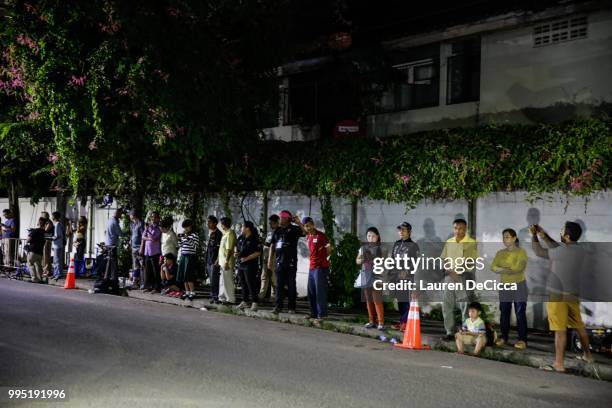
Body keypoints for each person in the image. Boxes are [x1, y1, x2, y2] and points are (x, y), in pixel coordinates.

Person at [530, 222, 593, 372]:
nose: (560, 232)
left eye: (562, 231)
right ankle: (588, 355)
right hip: (572, 295)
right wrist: (543, 235)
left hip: (557, 296)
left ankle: (558, 364)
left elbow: (539, 252)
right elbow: (557, 247)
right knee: (579, 325)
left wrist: (533, 235)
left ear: (567, 236)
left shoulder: (563, 251)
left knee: (560, 330)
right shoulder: (579, 250)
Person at [441, 218, 479, 340]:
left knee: (465, 307)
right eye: (456, 228)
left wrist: (457, 272)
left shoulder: (471, 242)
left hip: (464, 277)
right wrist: (450, 271)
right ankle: (449, 332)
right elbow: (444, 259)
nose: (458, 231)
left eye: (461, 228)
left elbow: (470, 261)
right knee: (447, 305)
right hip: (449, 277)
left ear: (465, 229)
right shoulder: (449, 242)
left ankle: (465, 333)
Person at [491, 228, 528, 349]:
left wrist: (502, 269)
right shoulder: (500, 253)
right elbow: (493, 267)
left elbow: (518, 268)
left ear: (514, 238)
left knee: (520, 313)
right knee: (504, 313)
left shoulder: (521, 252)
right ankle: (504, 337)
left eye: (507, 237)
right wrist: (507, 269)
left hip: (519, 285)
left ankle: (522, 340)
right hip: (505, 286)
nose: (505, 239)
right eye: (503, 237)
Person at [268, 210, 305, 314]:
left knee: (291, 285)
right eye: (280, 217)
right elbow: (272, 246)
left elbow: (305, 232)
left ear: (287, 219)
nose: (280, 219)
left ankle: (291, 307)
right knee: (279, 286)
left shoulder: (294, 229)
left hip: (291, 262)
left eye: (282, 218)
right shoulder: (277, 231)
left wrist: (298, 223)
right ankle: (278, 307)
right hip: (279, 262)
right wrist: (270, 261)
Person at [296, 216, 331, 322]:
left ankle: (322, 314)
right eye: (305, 226)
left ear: (313, 224)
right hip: (312, 268)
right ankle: (313, 313)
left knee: (320, 292)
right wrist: (298, 223)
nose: (307, 228)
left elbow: (329, 250)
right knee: (311, 292)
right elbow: (305, 231)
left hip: (320, 268)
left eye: (308, 225)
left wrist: (323, 260)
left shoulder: (321, 236)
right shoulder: (309, 236)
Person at [390, 221, 420, 331]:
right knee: (400, 300)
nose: (401, 232)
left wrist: (407, 271)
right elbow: (392, 259)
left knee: (406, 301)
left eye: (403, 230)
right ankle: (403, 322)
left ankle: (406, 323)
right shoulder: (397, 243)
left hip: (407, 278)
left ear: (409, 232)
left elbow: (415, 262)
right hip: (396, 277)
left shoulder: (414, 246)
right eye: (400, 230)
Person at [356, 227, 386, 330]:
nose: (371, 238)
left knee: (377, 300)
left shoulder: (381, 248)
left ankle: (381, 323)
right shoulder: (363, 248)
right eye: (369, 236)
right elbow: (357, 261)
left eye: (373, 236)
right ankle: (371, 321)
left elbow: (385, 262)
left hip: (377, 277)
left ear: (377, 237)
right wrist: (362, 259)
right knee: (368, 300)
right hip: (366, 276)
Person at [235, 221, 263, 311]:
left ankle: (255, 302)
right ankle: (245, 301)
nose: (241, 228)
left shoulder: (254, 239)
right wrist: (236, 253)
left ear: (247, 228)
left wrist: (246, 258)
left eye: (242, 226)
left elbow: (258, 252)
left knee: (250, 283)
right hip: (241, 264)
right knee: (243, 283)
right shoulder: (241, 237)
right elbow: (237, 247)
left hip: (250, 265)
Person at [177, 219, 200, 301]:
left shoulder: (194, 235)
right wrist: (179, 239)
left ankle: (192, 292)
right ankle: (187, 292)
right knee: (184, 276)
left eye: (186, 228)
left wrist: (188, 239)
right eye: (184, 228)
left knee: (189, 275)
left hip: (190, 257)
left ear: (190, 226)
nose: (185, 229)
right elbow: (181, 246)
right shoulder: (184, 235)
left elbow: (195, 247)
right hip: (183, 255)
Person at [259, 214, 279, 301]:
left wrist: (265, 243)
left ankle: (274, 295)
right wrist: (263, 242)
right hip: (265, 257)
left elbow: (275, 246)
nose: (270, 225)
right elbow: (267, 244)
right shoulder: (270, 233)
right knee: (264, 276)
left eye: (271, 223)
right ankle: (261, 294)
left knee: (273, 277)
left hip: (274, 258)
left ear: (276, 223)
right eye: (269, 223)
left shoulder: (279, 232)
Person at [218, 217, 237, 304]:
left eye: (221, 224)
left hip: (227, 262)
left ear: (223, 224)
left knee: (228, 281)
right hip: (222, 261)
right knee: (222, 281)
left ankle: (231, 299)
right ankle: (222, 297)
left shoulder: (230, 233)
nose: (220, 225)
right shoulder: (225, 233)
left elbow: (229, 249)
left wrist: (226, 261)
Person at [141, 212, 162, 292]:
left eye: (155, 217)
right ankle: (149, 286)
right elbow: (143, 237)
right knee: (148, 270)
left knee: (155, 270)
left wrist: (148, 236)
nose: (153, 219)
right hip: (147, 252)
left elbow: (154, 238)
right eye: (152, 217)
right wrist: (147, 230)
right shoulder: (148, 227)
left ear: (158, 218)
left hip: (155, 252)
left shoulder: (158, 228)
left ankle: (156, 287)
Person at [206, 215, 223, 304]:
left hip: (214, 260)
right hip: (209, 260)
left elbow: (220, 249)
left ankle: (215, 296)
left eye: (210, 222)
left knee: (215, 279)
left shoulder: (218, 234)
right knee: (211, 280)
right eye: (207, 222)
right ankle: (212, 295)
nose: (208, 224)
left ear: (215, 223)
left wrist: (217, 260)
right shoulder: (210, 233)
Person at [104, 208, 123, 282]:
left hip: (108, 243)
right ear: (117, 213)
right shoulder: (115, 222)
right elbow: (120, 233)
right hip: (113, 244)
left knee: (109, 261)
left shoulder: (109, 220)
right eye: (120, 214)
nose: (121, 215)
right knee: (114, 262)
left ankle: (107, 277)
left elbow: (105, 231)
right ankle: (114, 278)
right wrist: (127, 233)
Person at [26, 217, 46, 283]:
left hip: (33, 250)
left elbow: (28, 240)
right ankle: (40, 279)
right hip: (40, 251)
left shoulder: (35, 231)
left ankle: (34, 278)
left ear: (39, 222)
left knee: (30, 264)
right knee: (38, 265)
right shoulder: (45, 233)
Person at [129, 210, 145, 288]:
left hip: (139, 247)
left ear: (133, 215)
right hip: (133, 247)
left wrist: (142, 247)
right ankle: (135, 282)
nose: (129, 216)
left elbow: (143, 236)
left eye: (130, 215)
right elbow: (132, 234)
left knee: (142, 265)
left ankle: (143, 282)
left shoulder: (141, 223)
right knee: (135, 265)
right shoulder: (132, 224)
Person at [51, 211, 65, 280]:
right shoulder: (58, 224)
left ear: (54, 217)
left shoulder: (57, 224)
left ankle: (58, 274)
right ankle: (56, 273)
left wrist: (51, 238)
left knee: (57, 260)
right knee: (56, 260)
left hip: (57, 245)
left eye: (52, 216)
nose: (52, 217)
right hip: (57, 245)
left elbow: (58, 235)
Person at [41, 211, 54, 278]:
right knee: (45, 256)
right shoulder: (46, 222)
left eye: (42, 216)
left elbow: (45, 230)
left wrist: (41, 226)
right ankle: (47, 270)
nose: (41, 217)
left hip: (47, 240)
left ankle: (46, 271)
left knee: (46, 256)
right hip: (45, 240)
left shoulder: (49, 222)